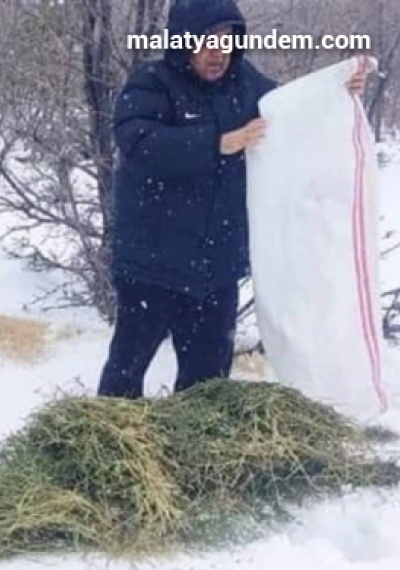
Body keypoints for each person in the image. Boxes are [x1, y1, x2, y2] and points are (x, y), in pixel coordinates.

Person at [98, 0, 370, 398]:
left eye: (226, 41)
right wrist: (215, 144)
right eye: (207, 41)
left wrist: (336, 90)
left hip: (215, 270)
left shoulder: (245, 83)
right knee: (126, 371)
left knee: (207, 386)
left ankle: (194, 456)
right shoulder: (152, 83)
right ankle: (104, 449)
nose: (217, 53)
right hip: (151, 267)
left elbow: (292, 107)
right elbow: (138, 142)